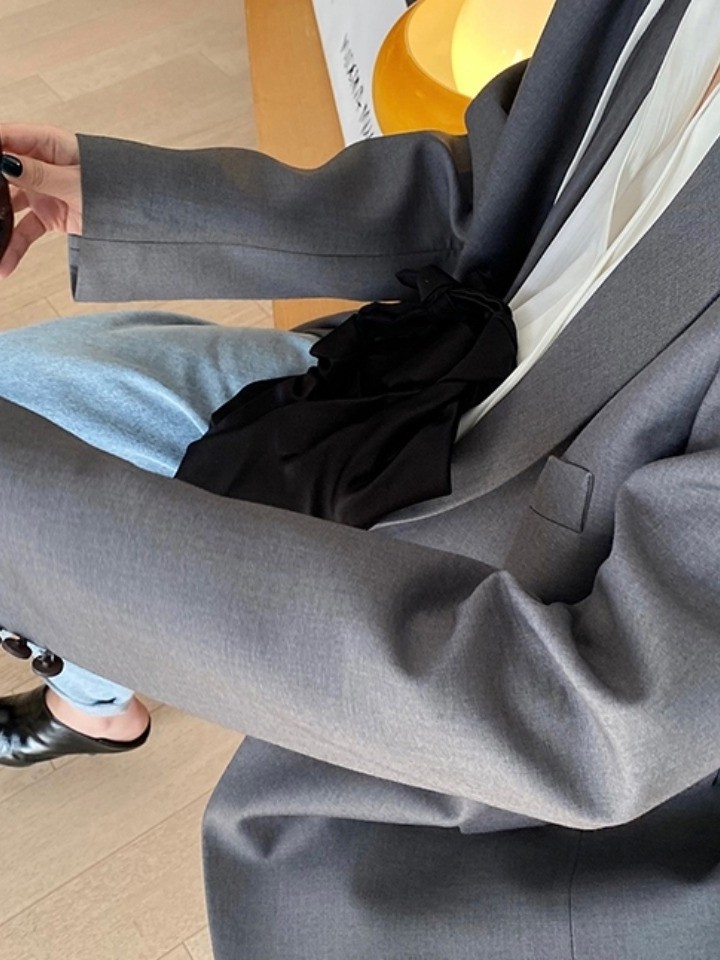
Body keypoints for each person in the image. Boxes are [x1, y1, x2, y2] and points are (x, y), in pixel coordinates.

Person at [0, 0, 718, 956]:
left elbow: (605, 714)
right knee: (35, 396)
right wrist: (117, 193)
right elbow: (496, 190)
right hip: (421, 375)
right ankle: (91, 700)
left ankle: (87, 690)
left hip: (504, 605)